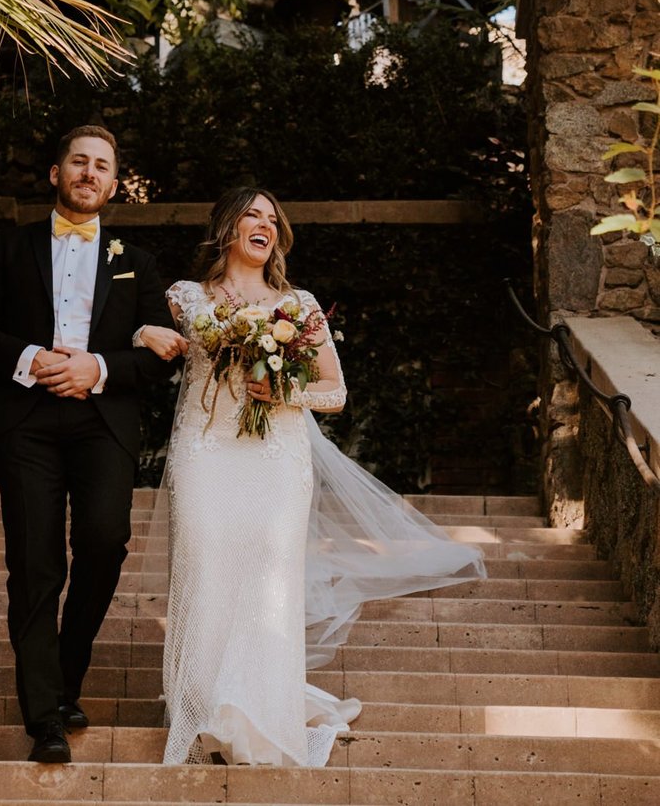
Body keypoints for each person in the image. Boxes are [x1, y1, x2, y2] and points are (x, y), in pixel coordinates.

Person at [137, 186, 486, 768]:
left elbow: (336, 390)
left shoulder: (298, 304)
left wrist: (283, 389)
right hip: (205, 451)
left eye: (272, 219)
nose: (264, 226)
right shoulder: (184, 296)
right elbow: (126, 333)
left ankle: (259, 705)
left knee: (266, 580)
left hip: (276, 457)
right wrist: (140, 333)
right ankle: (200, 702)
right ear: (226, 227)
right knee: (204, 564)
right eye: (252, 214)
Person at [0, 125, 181, 765]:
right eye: (77, 161)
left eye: (101, 165)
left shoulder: (137, 260)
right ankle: (44, 717)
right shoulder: (8, 248)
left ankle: (65, 677)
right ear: (55, 174)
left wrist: (98, 369)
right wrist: (32, 358)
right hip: (25, 420)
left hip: (101, 422)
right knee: (34, 563)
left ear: (114, 184)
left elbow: (161, 354)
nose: (88, 172)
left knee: (106, 544)